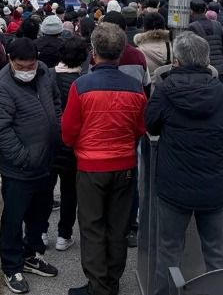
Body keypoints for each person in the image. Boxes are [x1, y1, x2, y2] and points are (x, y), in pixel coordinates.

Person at [62, 23, 146, 295]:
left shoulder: (81, 86)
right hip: (124, 163)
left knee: (92, 226)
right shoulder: (135, 87)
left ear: (93, 53)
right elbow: (140, 127)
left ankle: (98, 285)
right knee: (118, 226)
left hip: (91, 165)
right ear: (120, 53)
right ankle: (112, 280)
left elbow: (69, 130)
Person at [146, 32, 223, 290]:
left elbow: (151, 124)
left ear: (177, 61)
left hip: (174, 183)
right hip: (214, 184)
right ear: (207, 60)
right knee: (217, 253)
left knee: (169, 251)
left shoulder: (165, 90)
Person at [0, 37, 61, 294]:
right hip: (19, 168)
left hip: (47, 162)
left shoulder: (45, 74)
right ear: (10, 60)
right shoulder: (1, 86)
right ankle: (11, 265)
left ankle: (30, 254)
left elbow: (56, 103)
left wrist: (57, 131)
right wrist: (23, 158)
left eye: (31, 65)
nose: (27, 70)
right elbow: (0, 129)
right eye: (21, 66)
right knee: (14, 217)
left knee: (40, 214)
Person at [50, 37, 87, 252]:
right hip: (73, 143)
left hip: (49, 140)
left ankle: (41, 232)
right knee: (69, 191)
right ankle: (64, 234)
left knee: (45, 188)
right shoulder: (84, 82)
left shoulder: (47, 76)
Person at [188, 0, 223, 82]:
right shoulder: (217, 24)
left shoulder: (192, 27)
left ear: (191, 11)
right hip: (220, 68)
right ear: (205, 10)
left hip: (202, 70)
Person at [134, 13, 172, 78]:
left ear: (144, 28)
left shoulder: (137, 53)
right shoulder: (173, 48)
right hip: (168, 83)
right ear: (164, 27)